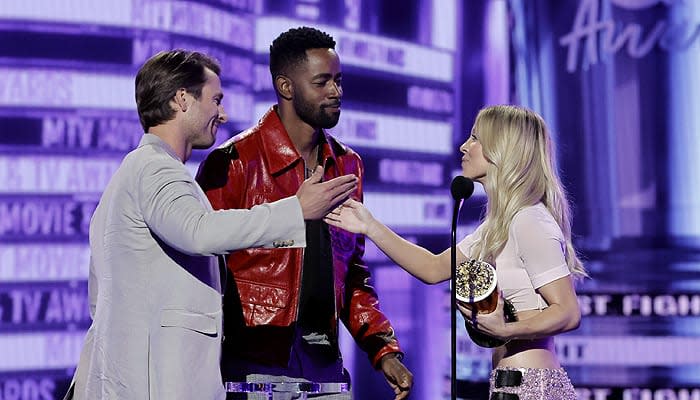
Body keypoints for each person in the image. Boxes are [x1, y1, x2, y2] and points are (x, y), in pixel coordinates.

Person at [64, 50, 358, 400]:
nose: (223, 113)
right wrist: (295, 210)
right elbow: (199, 231)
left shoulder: (138, 172)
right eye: (215, 100)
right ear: (182, 99)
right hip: (152, 384)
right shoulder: (155, 169)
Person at [196, 27, 413, 400]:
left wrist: (383, 350)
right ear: (286, 86)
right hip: (253, 375)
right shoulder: (233, 163)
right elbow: (202, 268)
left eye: (339, 81)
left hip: (327, 375)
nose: (336, 92)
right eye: (322, 82)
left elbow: (352, 273)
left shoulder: (347, 165)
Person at [325, 105, 586, 399]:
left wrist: (506, 330)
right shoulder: (499, 226)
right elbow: (433, 268)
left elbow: (568, 311)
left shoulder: (529, 221)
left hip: (532, 388)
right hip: (510, 385)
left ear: (502, 149)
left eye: (475, 138)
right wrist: (370, 226)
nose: (464, 146)